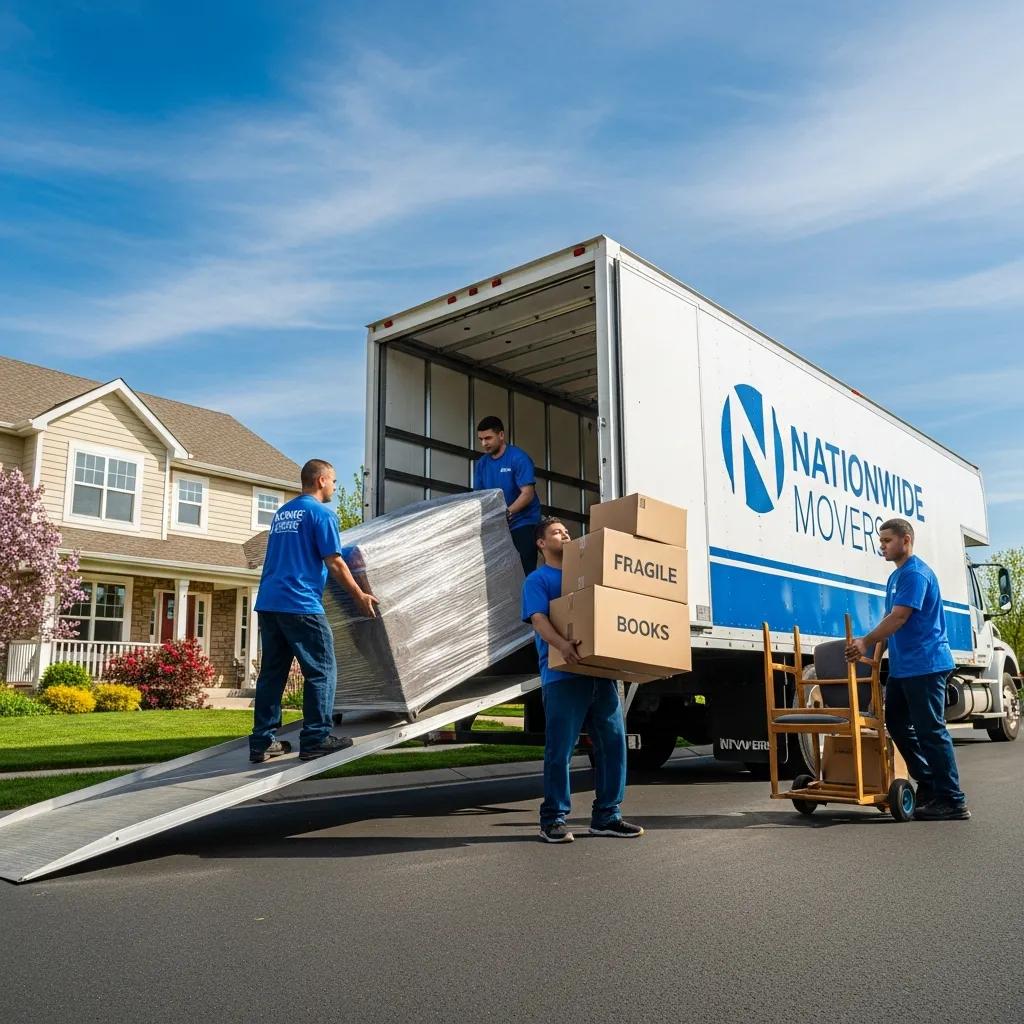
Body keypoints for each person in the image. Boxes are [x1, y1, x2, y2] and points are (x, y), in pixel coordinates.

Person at [522, 516, 644, 842]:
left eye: (566, 531)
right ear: (541, 543)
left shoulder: (586, 578)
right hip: (562, 674)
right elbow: (538, 619)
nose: (564, 535)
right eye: (556, 532)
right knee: (560, 749)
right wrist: (562, 644)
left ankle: (607, 816)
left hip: (599, 674)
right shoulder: (538, 580)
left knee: (614, 745)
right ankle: (553, 819)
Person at [249, 459, 379, 764]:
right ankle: (316, 738)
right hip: (300, 603)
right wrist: (359, 593)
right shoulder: (321, 513)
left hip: (269, 602)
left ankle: (262, 742)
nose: (335, 486)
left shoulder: (283, 513)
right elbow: (334, 561)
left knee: (272, 675)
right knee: (321, 670)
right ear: (321, 480)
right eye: (333, 480)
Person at [845, 518, 968, 820]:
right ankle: (928, 783)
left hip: (925, 665)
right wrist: (874, 656)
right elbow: (891, 619)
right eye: (881, 540)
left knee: (931, 731)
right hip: (903, 668)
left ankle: (952, 800)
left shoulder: (915, 574)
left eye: (887, 540)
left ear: (906, 540)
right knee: (897, 723)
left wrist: (865, 641)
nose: (881, 546)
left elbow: (899, 618)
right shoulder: (896, 577)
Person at [473, 415, 542, 577]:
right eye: (481, 439)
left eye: (488, 438)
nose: (484, 443)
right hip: (498, 524)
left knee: (526, 569)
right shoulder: (482, 464)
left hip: (523, 522)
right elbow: (480, 497)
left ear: (501, 435)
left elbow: (528, 493)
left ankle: (527, 601)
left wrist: (507, 512)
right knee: (499, 573)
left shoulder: (518, 458)